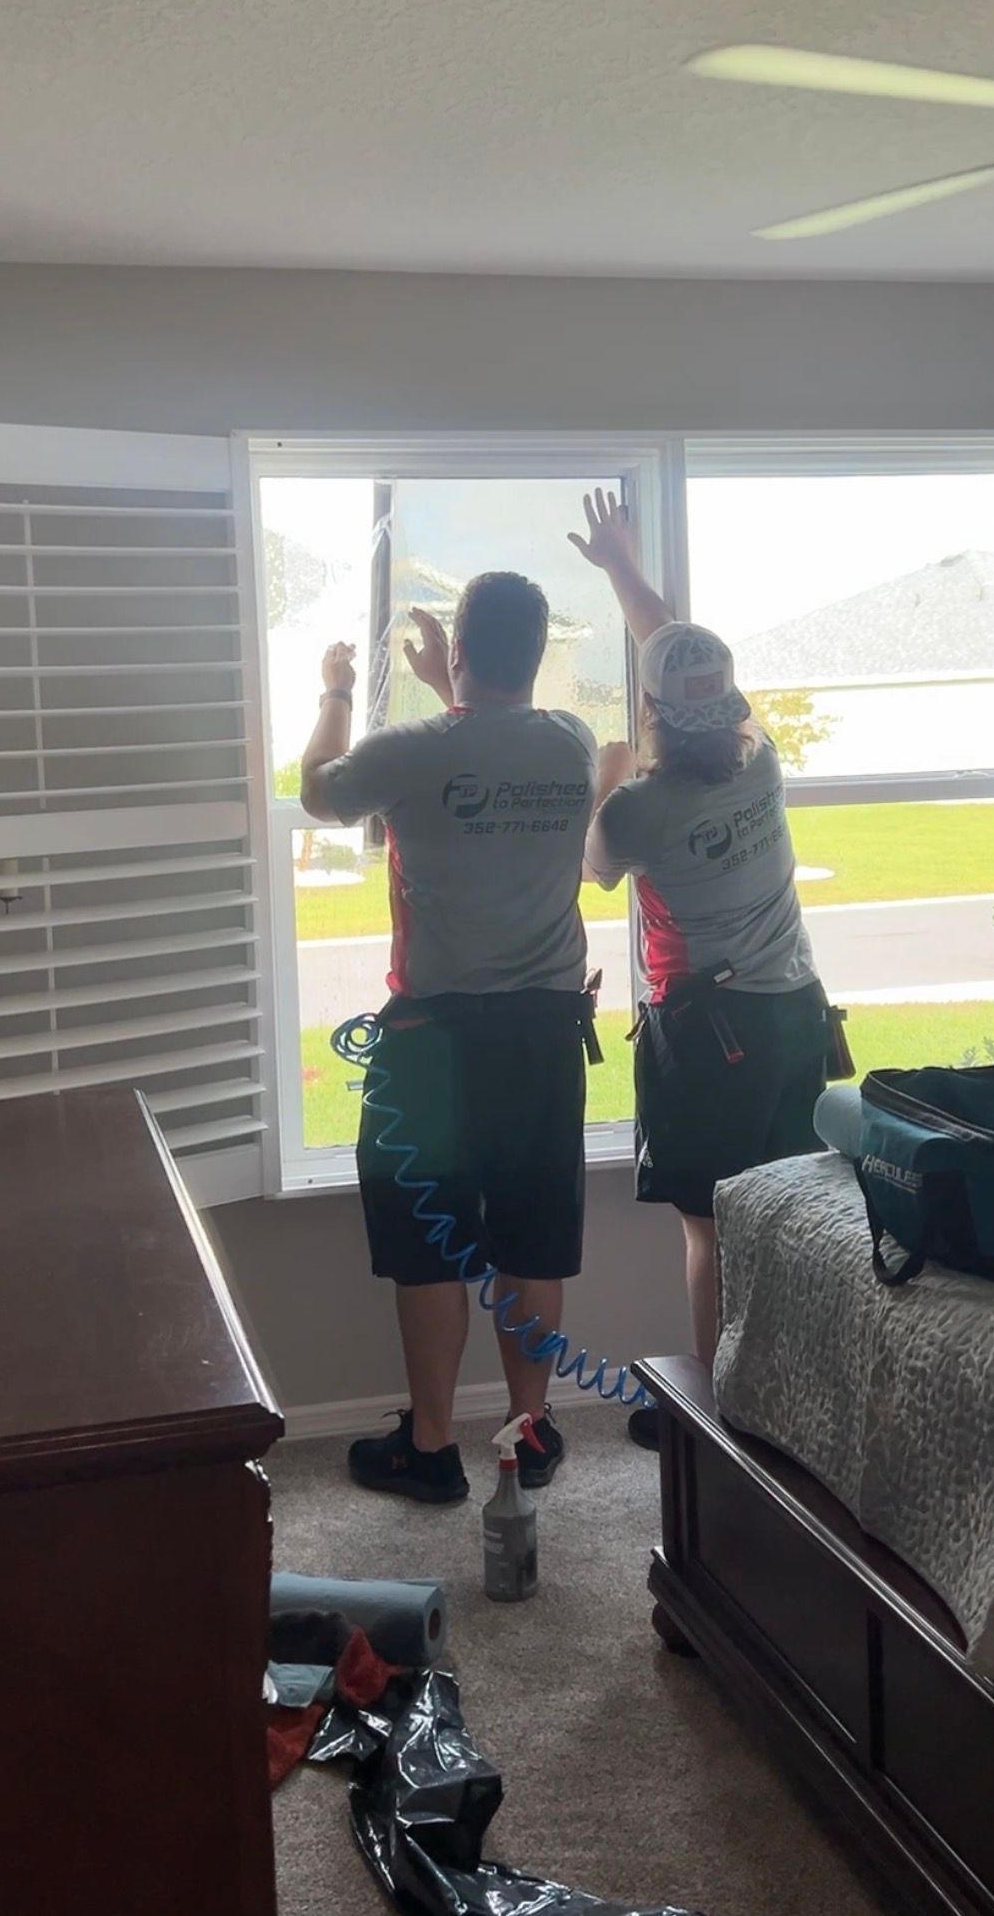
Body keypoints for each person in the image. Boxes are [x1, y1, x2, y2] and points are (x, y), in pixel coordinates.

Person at [300, 572, 597, 1503]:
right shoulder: (571, 742)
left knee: (429, 1247)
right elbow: (489, 744)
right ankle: (529, 1430)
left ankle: (430, 1449)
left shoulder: (407, 751)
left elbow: (318, 793)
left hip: (433, 1039)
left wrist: (339, 690)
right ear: (539, 655)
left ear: (459, 650)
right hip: (544, 1036)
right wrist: (453, 683)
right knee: (531, 1238)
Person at [572, 491, 827, 1451]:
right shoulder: (760, 761)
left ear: (650, 715)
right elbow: (673, 643)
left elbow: (593, 873)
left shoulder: (641, 808)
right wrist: (624, 570)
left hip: (710, 1034)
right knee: (786, 1215)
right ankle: (787, 1397)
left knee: (711, 1228)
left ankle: (722, 1413)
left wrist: (602, 778)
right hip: (797, 1013)